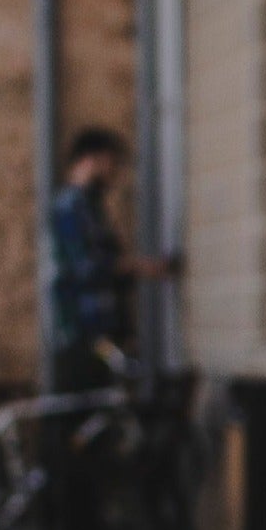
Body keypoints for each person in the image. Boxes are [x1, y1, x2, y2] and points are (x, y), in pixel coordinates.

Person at [49, 126, 178, 390]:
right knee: (84, 410)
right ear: (91, 159)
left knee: (106, 405)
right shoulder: (71, 206)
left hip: (99, 332)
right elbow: (85, 267)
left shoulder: (89, 206)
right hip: (83, 333)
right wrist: (140, 267)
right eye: (111, 163)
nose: (114, 172)